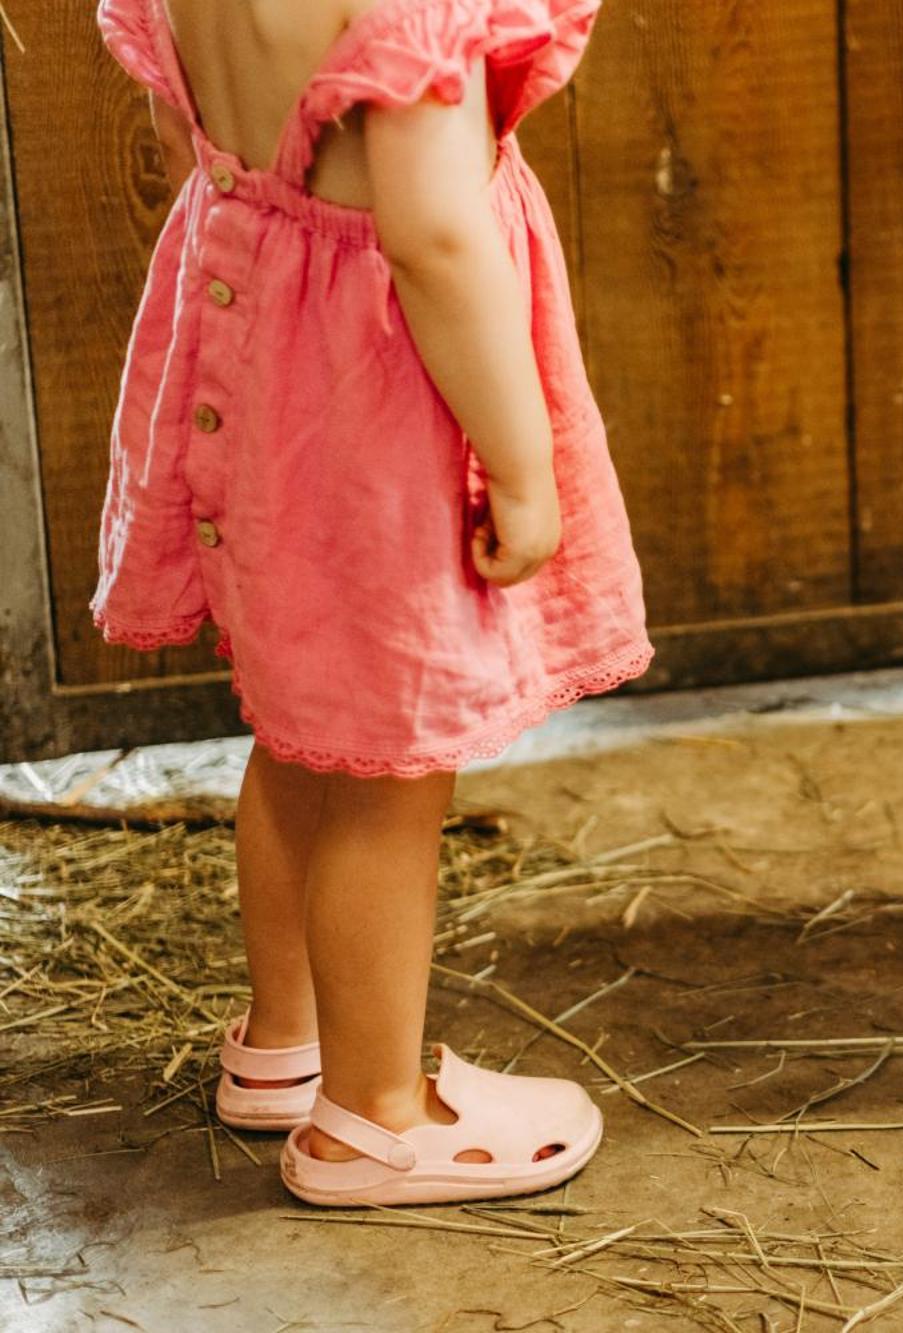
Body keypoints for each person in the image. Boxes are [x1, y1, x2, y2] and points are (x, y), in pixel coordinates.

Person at [94, 0, 651, 1203]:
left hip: (256, 359)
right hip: (382, 401)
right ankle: (372, 1118)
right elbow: (435, 236)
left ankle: (286, 1046)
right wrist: (517, 462)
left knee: (297, 724)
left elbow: (181, 119)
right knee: (391, 775)